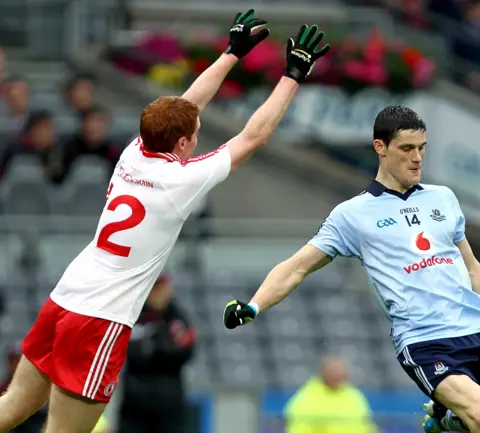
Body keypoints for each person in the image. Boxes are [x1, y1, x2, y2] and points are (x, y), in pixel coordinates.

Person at [0, 10, 330, 433]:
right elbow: (252, 137)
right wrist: (293, 76)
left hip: (64, 298)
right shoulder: (181, 180)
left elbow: (186, 106)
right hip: (99, 319)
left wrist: (231, 53)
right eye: (192, 132)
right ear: (182, 142)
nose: (196, 132)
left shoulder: (132, 153)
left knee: (11, 407)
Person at [224, 105, 480, 433]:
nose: (417, 158)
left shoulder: (443, 198)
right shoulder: (352, 215)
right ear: (380, 148)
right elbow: (297, 267)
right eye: (407, 149)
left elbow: (474, 270)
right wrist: (254, 305)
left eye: (422, 148)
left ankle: (449, 421)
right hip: (426, 341)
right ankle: (456, 418)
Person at [119, 274, 197, 433]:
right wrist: (158, 346)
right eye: (155, 288)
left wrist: (153, 347)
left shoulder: (177, 317)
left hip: (168, 404)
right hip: (134, 404)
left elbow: (185, 351)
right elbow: (129, 350)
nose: (159, 293)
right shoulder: (134, 314)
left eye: (163, 288)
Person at [284, 356, 377, 433]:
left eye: (340, 370)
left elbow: (367, 426)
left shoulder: (355, 396)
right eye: (333, 370)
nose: (338, 374)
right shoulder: (305, 399)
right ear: (322, 372)